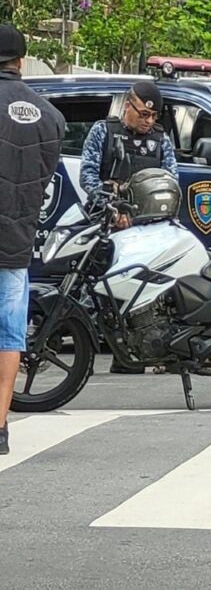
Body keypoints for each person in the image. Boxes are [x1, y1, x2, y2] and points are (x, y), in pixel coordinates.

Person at [80, 81, 177, 374]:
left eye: (153, 116)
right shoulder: (104, 132)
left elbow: (170, 183)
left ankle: (155, 349)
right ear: (128, 106)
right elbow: (88, 177)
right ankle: (117, 348)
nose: (148, 121)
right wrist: (113, 204)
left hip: (148, 227)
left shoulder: (162, 141)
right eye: (143, 114)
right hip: (108, 223)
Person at [0, 24, 63, 454]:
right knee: (9, 334)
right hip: (17, 244)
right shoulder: (51, 118)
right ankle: (0, 423)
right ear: (21, 61)